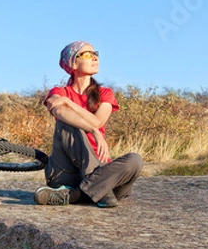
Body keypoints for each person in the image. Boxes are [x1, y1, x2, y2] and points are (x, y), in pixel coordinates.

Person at [34, 41, 144, 207]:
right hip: (67, 173)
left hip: (102, 173)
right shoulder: (59, 92)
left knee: (135, 161)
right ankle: (96, 191)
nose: (95, 58)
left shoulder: (105, 93)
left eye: (95, 54)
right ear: (73, 62)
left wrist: (70, 104)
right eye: (87, 54)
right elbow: (59, 111)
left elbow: (98, 121)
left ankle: (75, 195)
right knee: (67, 122)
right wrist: (93, 130)